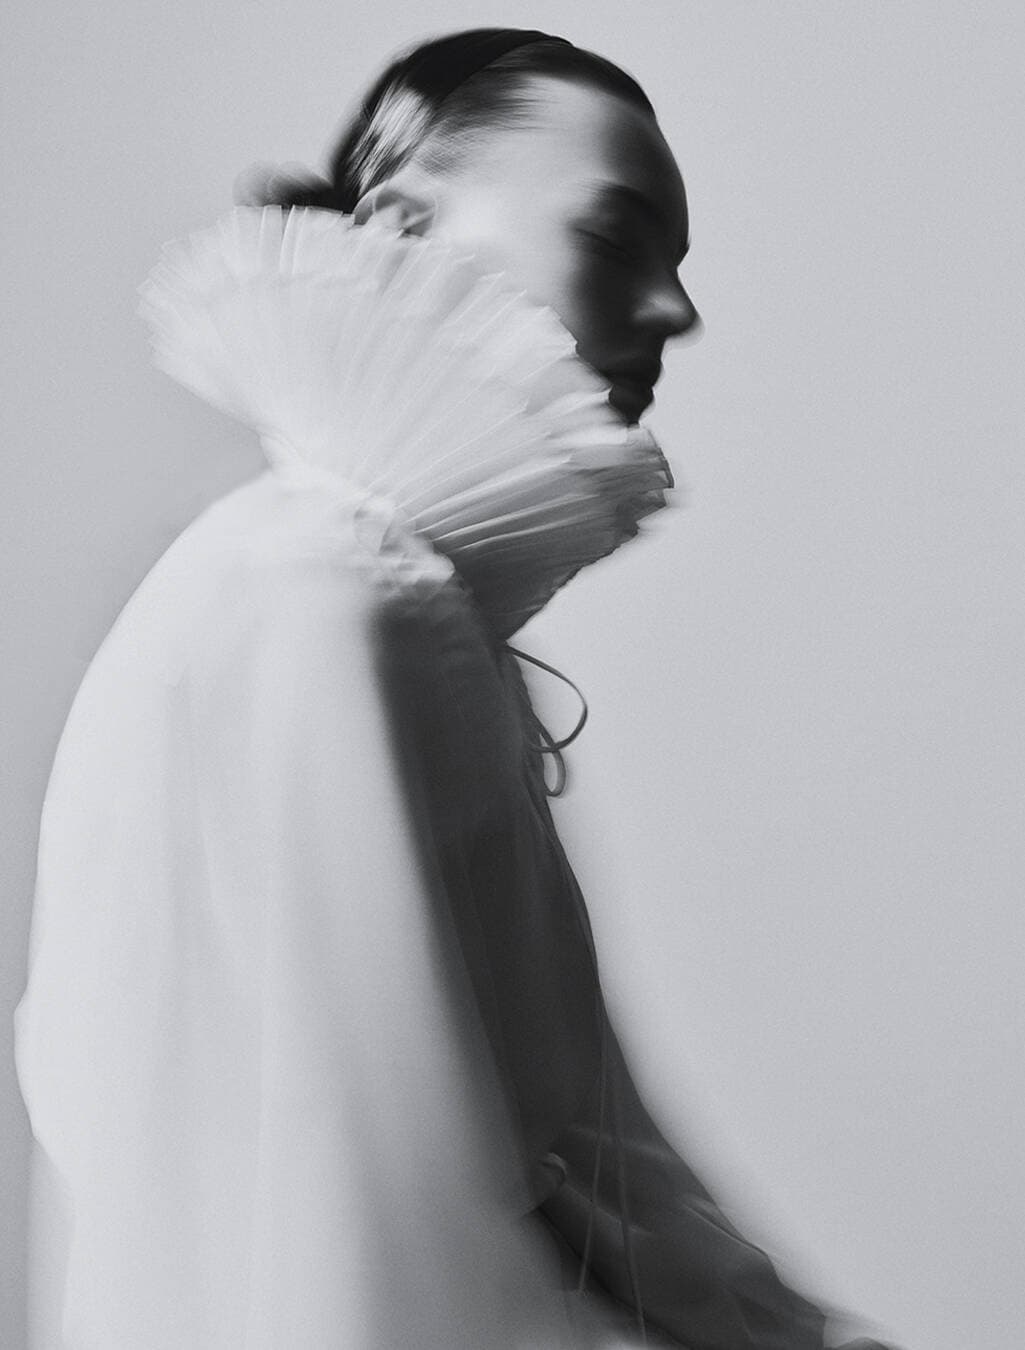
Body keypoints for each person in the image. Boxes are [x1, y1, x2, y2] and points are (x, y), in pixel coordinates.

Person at [15, 27, 897, 1350]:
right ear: (403, 229)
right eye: (615, 237)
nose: (674, 310)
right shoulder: (329, 597)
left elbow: (586, 1170)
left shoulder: (377, 598)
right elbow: (377, 1216)